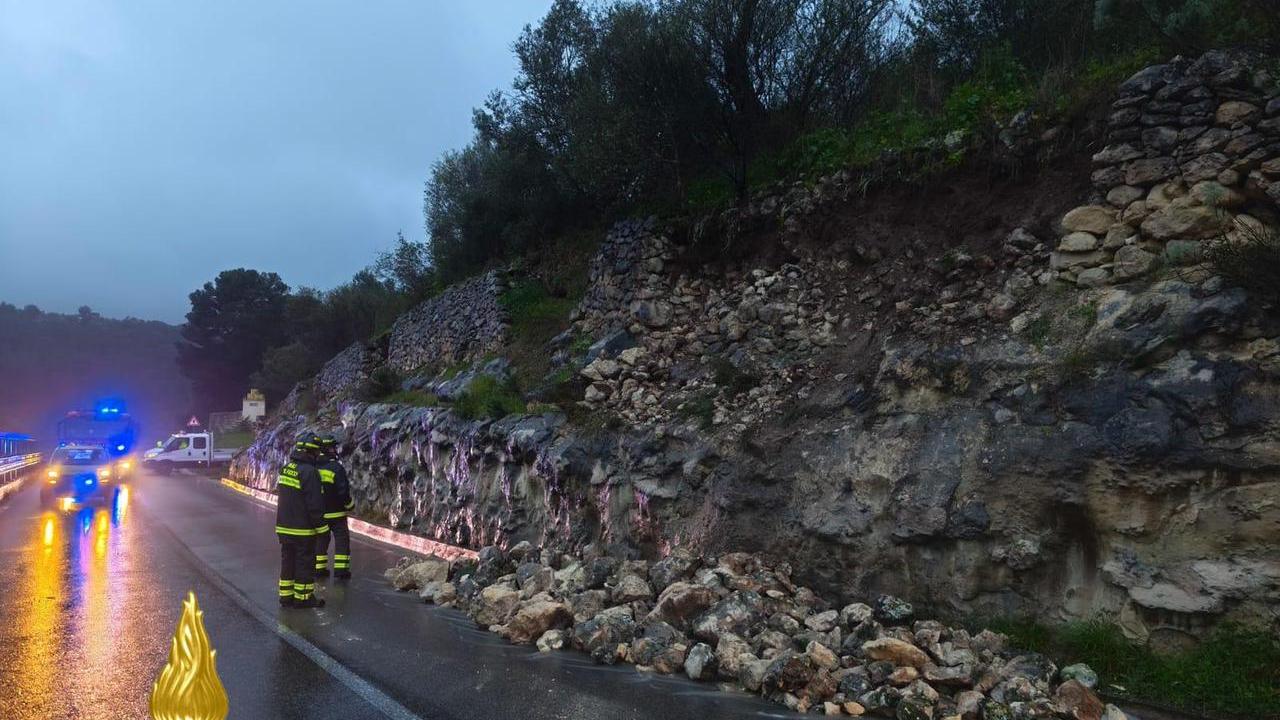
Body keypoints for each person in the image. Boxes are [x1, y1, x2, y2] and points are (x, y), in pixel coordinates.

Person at [275, 433, 328, 608]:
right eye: (316, 452)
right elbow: (314, 504)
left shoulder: (286, 468)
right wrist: (322, 527)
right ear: (311, 452)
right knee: (305, 563)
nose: (317, 456)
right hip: (303, 529)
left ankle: (286, 596)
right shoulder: (310, 473)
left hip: (284, 527)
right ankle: (303, 598)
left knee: (287, 561)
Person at [314, 433, 354, 579]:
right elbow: (343, 491)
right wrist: (350, 505)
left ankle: (319, 569)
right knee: (342, 541)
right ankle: (341, 571)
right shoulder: (336, 468)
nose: (334, 450)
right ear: (328, 449)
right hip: (337, 514)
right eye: (332, 447)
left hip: (319, 514)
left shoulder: (312, 467)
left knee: (321, 540)